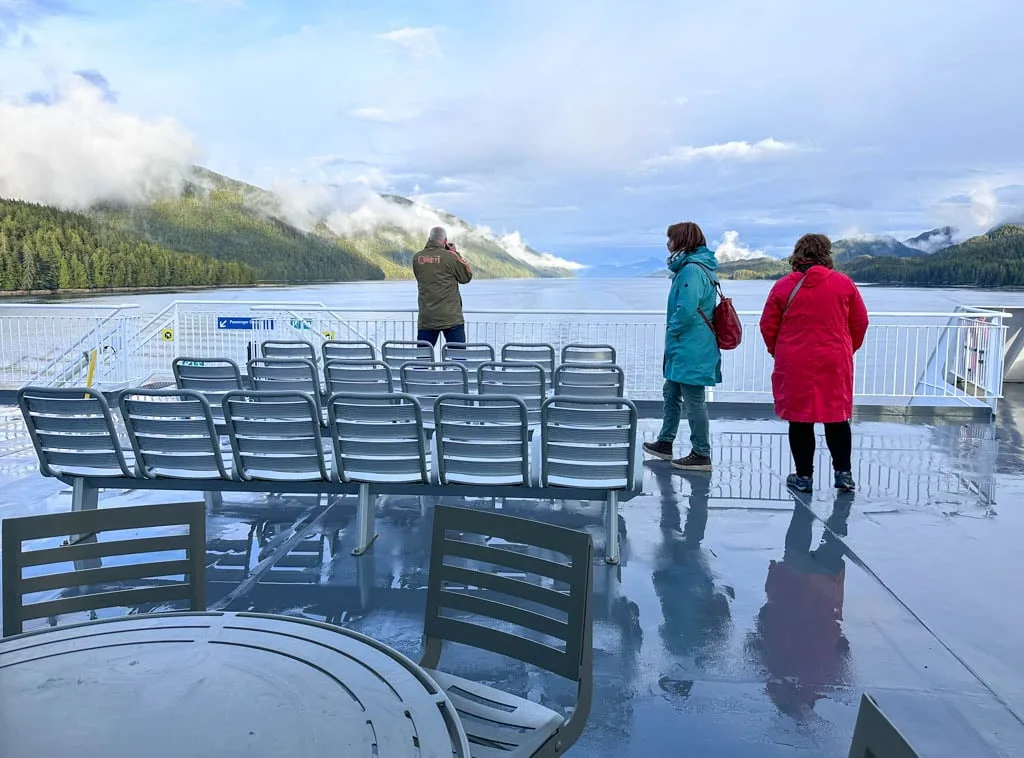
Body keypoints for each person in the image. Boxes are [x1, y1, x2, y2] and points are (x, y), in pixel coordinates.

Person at [759, 233, 869, 493]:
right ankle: (844, 474)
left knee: (800, 419)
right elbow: (860, 322)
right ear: (826, 254)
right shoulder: (844, 284)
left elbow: (767, 325)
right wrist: (845, 349)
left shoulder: (783, 286)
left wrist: (780, 351)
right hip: (834, 360)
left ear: (798, 255)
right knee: (837, 417)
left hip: (795, 360)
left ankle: (804, 477)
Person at [643, 221, 722, 471]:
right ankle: (665, 443)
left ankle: (701, 453)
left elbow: (686, 311)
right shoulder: (693, 267)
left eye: (670, 239)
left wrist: (672, 329)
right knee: (671, 392)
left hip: (691, 346)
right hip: (687, 345)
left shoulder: (690, 270)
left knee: (694, 400)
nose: (667, 243)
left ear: (682, 241)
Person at [412, 226, 473, 346]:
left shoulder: (417, 258)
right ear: (444, 241)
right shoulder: (451, 257)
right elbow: (466, 277)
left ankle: (421, 365)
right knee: (458, 360)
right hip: (451, 318)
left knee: (422, 359)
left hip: (427, 318)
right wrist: (455, 253)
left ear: (429, 238)